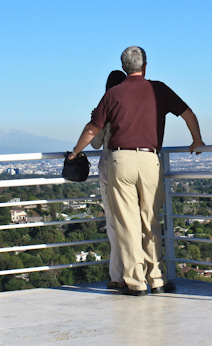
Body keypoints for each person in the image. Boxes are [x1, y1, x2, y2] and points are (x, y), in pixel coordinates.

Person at [67, 46, 205, 296]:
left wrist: (76, 152)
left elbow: (92, 129)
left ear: (123, 67)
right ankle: (158, 279)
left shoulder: (113, 94)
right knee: (150, 220)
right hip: (150, 159)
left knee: (127, 223)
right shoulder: (159, 89)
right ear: (145, 65)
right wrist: (197, 140)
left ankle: (136, 282)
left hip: (121, 160)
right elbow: (188, 114)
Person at [90, 69, 127, 289]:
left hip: (110, 167)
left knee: (113, 224)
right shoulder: (133, 106)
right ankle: (139, 274)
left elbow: (95, 144)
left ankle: (117, 276)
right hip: (138, 166)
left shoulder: (106, 107)